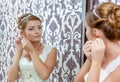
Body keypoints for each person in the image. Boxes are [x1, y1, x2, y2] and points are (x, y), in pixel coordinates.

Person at [74, 2, 120, 82]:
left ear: (95, 32)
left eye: (86, 29)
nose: (86, 32)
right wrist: (89, 60)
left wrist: (96, 63)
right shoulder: (98, 55)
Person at [7, 13, 57, 82]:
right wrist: (18, 51)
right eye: (31, 29)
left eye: (39, 27)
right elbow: (11, 79)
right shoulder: (20, 51)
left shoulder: (51, 50)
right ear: (22, 33)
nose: (37, 32)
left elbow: (44, 75)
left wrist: (31, 51)